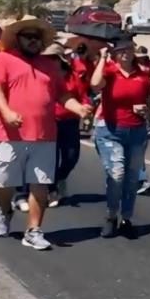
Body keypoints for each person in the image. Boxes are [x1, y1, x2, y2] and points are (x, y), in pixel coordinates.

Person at [0, 16, 92, 250]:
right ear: (17, 38)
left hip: (45, 135)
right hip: (11, 134)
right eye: (28, 37)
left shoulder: (49, 66)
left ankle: (33, 230)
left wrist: (79, 108)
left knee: (40, 184)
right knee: (4, 183)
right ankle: (6, 211)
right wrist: (7, 112)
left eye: (37, 37)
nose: (33, 41)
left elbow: (62, 95)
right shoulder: (2, 59)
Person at [90, 39, 150, 238]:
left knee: (132, 178)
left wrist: (145, 109)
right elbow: (94, 85)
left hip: (136, 131)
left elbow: (149, 100)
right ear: (115, 53)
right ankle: (111, 215)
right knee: (117, 175)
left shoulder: (142, 75)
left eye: (129, 49)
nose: (125, 53)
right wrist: (102, 57)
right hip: (111, 130)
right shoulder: (109, 71)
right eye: (121, 50)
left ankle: (126, 217)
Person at [43, 43, 85, 208]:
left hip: (71, 121)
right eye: (47, 58)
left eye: (53, 58)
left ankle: (60, 178)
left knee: (71, 157)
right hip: (50, 121)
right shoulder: (43, 76)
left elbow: (81, 95)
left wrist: (84, 108)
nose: (49, 61)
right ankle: (52, 190)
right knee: (51, 159)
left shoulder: (72, 75)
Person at [134, 45, 150, 194]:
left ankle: (140, 178)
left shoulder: (149, 65)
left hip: (145, 100)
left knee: (140, 146)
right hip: (133, 106)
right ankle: (138, 178)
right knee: (136, 147)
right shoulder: (132, 67)